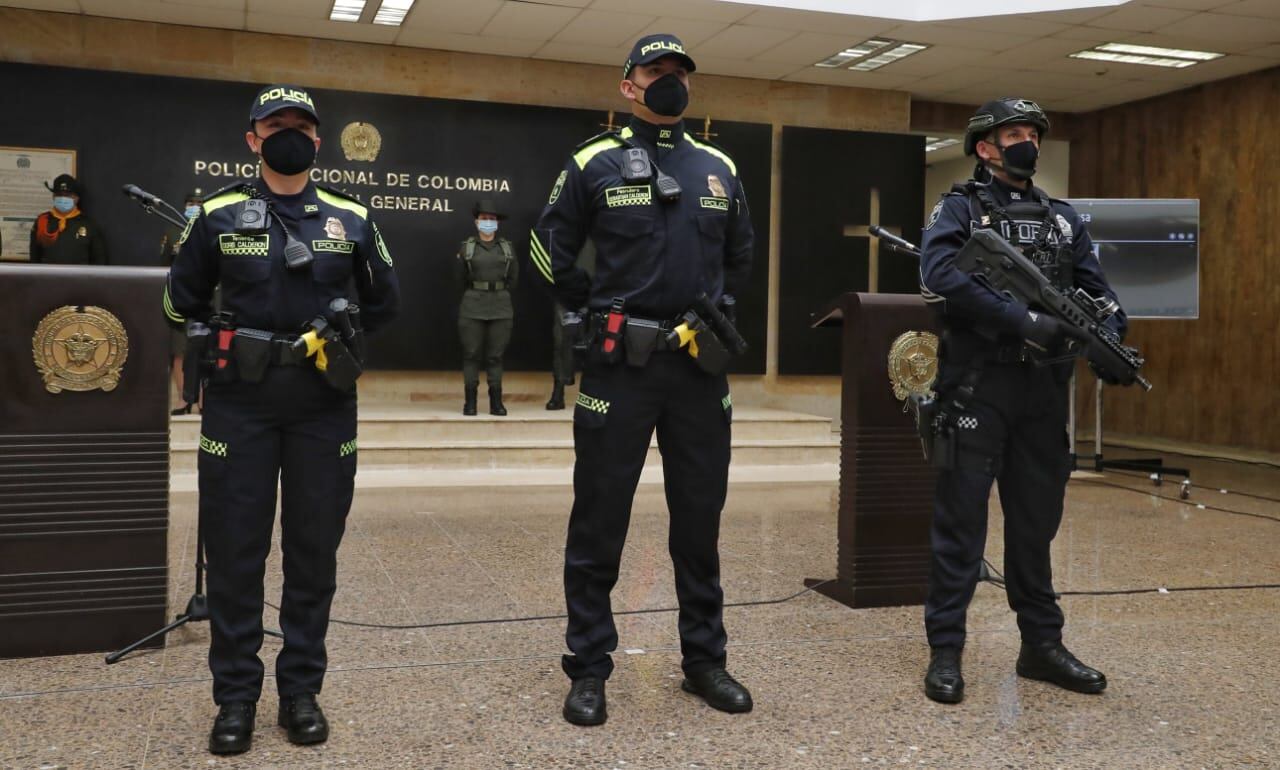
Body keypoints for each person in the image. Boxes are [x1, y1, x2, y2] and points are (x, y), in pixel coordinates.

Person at [164, 84, 400, 755]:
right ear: (252, 137)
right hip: (240, 402)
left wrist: (346, 333)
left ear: (318, 140)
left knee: (313, 551)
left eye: (302, 124)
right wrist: (216, 342)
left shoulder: (352, 216)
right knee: (236, 555)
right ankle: (235, 696)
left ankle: (300, 691)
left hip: (323, 403)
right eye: (276, 124)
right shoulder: (214, 212)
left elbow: (387, 299)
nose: (289, 132)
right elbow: (177, 302)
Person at [531, 33, 754, 726]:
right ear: (628, 85)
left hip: (697, 369)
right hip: (618, 369)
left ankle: (704, 662)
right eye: (656, 71)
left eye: (679, 72)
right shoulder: (592, 161)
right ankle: (589, 667)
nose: (669, 81)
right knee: (599, 519)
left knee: (699, 521)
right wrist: (595, 304)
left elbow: (740, 255)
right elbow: (546, 249)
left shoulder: (717, 166)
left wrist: (712, 311)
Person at [918, 97, 1127, 704]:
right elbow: (938, 277)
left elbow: (1097, 290)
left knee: (1035, 527)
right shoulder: (959, 208)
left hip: (1042, 393)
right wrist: (1020, 319)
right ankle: (946, 651)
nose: (1027, 142)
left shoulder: (1064, 220)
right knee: (960, 526)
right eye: (1014, 134)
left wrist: (1111, 336)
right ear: (985, 146)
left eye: (1033, 133)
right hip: (978, 386)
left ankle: (1041, 644)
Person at [455, 199, 517, 416]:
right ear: (476, 221)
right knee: (471, 354)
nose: (488, 222)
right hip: (472, 306)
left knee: (495, 356)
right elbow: (459, 278)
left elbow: (513, 278)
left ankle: (496, 403)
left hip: (500, 306)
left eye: (492, 219)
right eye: (484, 219)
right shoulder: (467, 248)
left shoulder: (506, 248)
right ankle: (470, 402)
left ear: (497, 223)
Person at [163, 189, 205, 415]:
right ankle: (182, 400)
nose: (194, 207)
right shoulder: (172, 230)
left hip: (209, 298)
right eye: (191, 202)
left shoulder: (212, 228)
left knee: (207, 352)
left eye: (199, 203)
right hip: (180, 298)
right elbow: (163, 267)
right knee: (180, 351)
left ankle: (203, 401)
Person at [29, 173, 108, 264]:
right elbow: (35, 258)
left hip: (79, 277)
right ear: (53, 197)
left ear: (77, 198)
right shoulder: (42, 221)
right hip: (48, 277)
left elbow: (99, 260)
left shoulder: (89, 225)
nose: (63, 198)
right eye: (59, 194)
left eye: (68, 195)